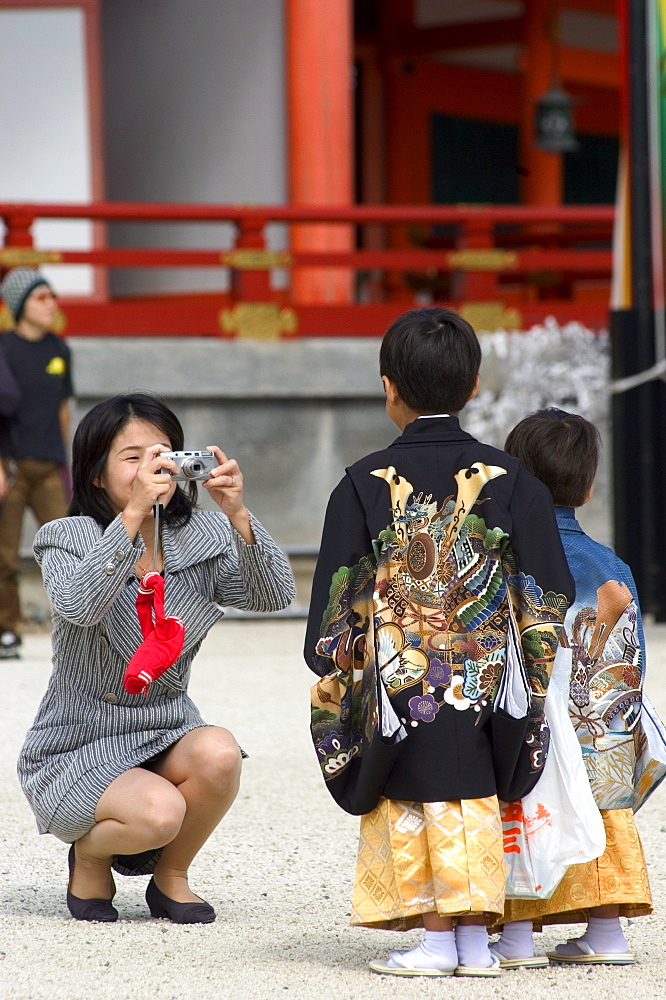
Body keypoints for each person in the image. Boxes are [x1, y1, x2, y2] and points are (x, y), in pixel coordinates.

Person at [304, 308, 574, 977]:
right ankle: (478, 944)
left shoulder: (362, 484)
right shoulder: (517, 481)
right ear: (475, 384)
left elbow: (336, 612)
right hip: (488, 679)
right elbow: (550, 594)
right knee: (481, 791)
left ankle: (435, 939)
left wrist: (344, 661)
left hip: (403, 675)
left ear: (388, 387)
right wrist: (526, 673)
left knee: (413, 792)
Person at [17, 392, 295, 924]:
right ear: (96, 475)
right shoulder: (68, 537)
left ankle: (172, 878)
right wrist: (134, 514)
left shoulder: (202, 536)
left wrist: (237, 514)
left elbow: (273, 595)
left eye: (163, 452)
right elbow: (77, 606)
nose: (153, 465)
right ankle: (91, 854)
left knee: (220, 752)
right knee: (160, 812)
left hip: (166, 728)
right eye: (132, 457)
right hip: (80, 740)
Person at [492, 408, 654, 967]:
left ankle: (514, 938)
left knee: (525, 809)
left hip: (537, 722)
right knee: (601, 813)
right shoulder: (611, 564)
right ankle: (605, 933)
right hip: (603, 724)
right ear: (587, 488)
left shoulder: (506, 558)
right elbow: (630, 657)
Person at [0, 267, 73, 659]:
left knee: (70, 545)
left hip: (49, 464)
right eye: (41, 297)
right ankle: (7, 629)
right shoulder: (4, 348)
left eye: (53, 296)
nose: (51, 304)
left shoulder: (59, 350)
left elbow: (63, 409)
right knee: (5, 554)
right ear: (19, 304)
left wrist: (69, 460)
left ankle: (77, 628)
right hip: (10, 465)